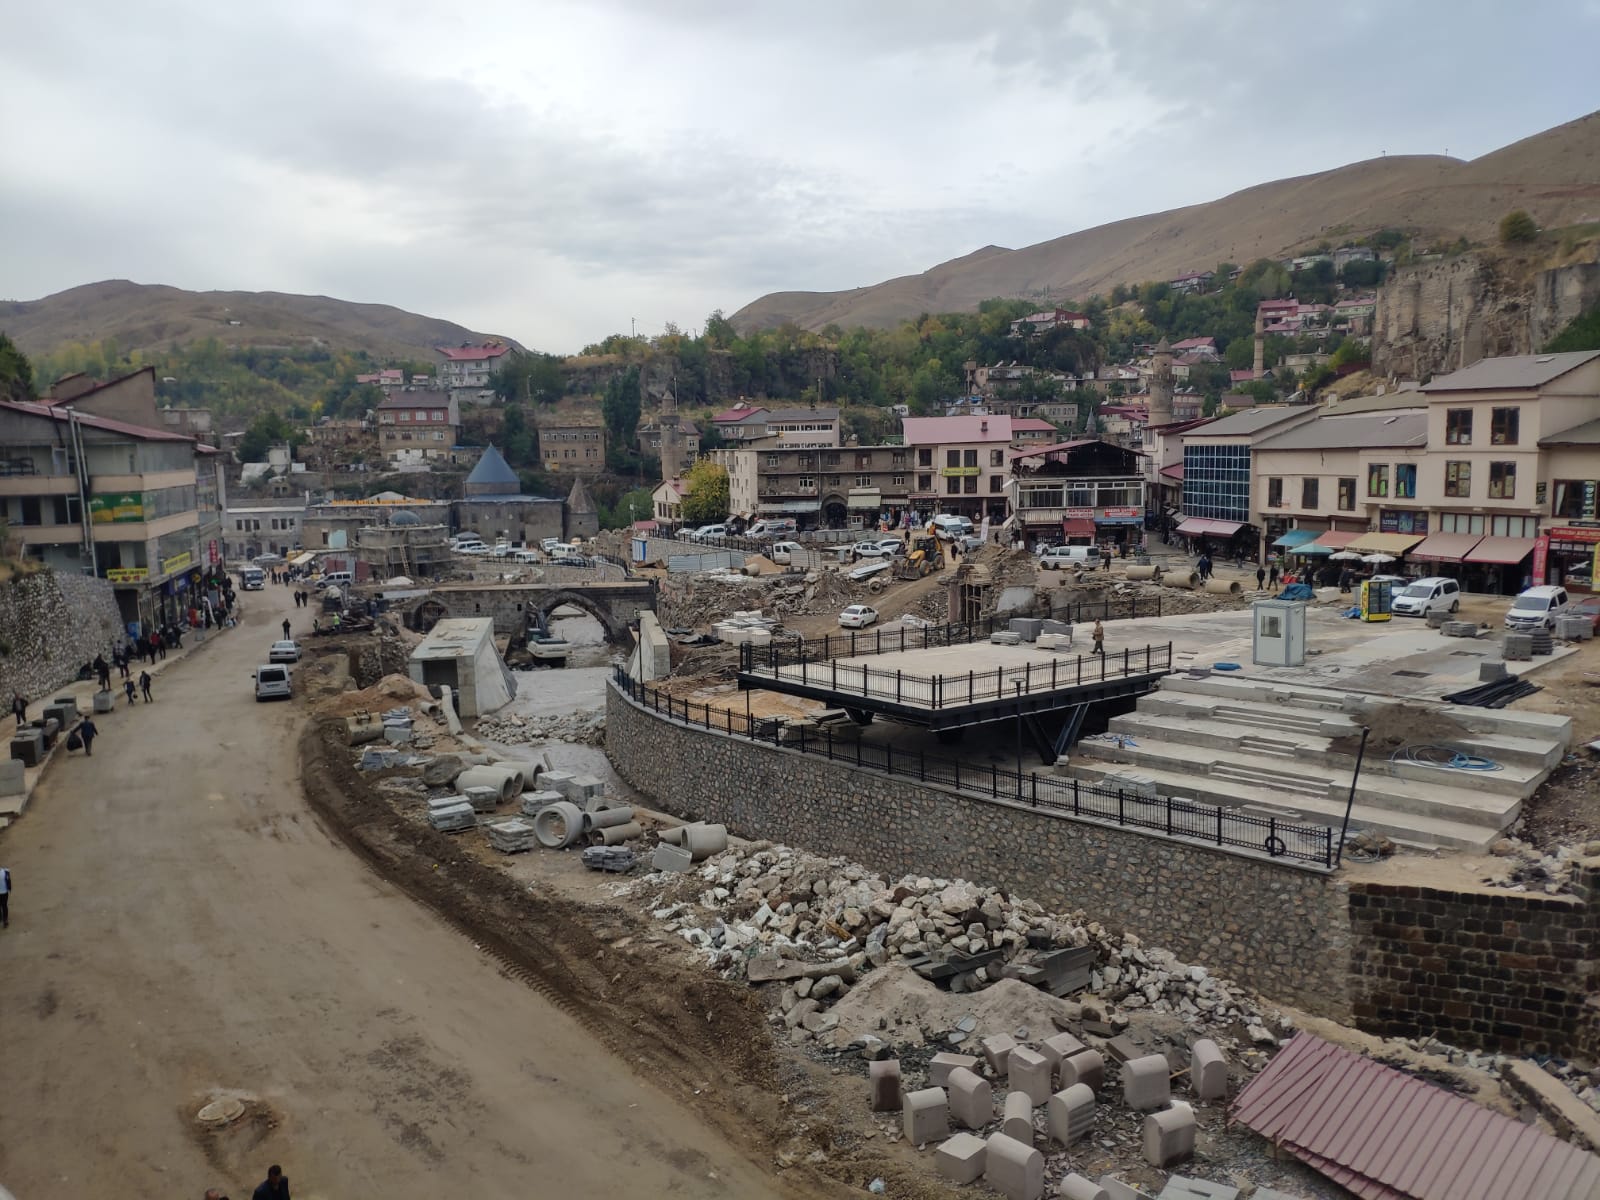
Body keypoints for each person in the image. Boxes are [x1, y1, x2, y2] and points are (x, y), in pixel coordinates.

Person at [0, 863, 10, 928]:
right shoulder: (5, 871)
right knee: (4, 905)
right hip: (5, 892)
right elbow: (8, 880)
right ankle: (5, 919)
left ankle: (1, 917)